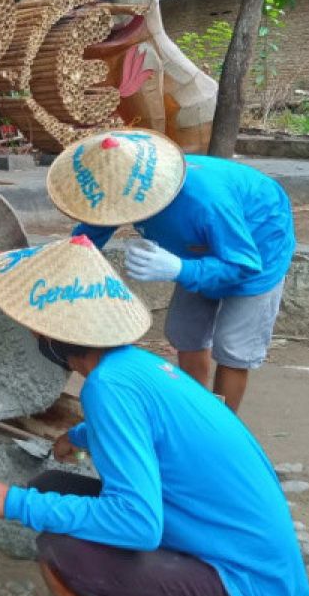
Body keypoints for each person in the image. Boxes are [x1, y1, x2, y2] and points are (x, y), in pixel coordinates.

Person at [0, 235, 309, 596]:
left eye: (37, 329)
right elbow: (149, 428)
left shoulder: (105, 388)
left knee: (62, 556)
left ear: (60, 337)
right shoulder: (134, 366)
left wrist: (9, 501)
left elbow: (138, 524)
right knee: (52, 484)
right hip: (267, 574)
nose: (35, 337)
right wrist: (79, 436)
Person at [46, 129, 294, 412]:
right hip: (195, 247)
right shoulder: (120, 188)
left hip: (257, 247)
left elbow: (243, 265)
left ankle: (221, 424)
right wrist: (62, 261)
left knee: (233, 347)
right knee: (185, 332)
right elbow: (94, 230)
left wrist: (179, 268)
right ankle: (194, 410)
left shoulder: (206, 203)